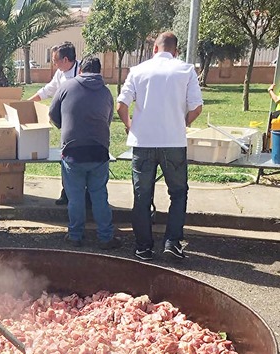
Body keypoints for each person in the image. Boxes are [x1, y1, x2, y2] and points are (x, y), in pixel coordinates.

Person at [116, 32, 203, 261]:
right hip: (173, 142)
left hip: (143, 142)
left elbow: (121, 105)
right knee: (178, 192)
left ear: (155, 48)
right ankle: (172, 242)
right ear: (176, 51)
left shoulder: (138, 70)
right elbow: (197, 107)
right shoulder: (186, 70)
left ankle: (144, 246)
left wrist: (129, 125)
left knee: (141, 196)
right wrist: (182, 122)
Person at [49, 57, 121, 250]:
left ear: (80, 69)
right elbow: (107, 119)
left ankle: (75, 236)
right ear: (99, 72)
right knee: (99, 196)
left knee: (75, 197)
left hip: (73, 151)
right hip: (99, 151)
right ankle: (106, 237)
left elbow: (52, 114)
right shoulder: (106, 93)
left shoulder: (66, 87)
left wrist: (64, 126)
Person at [28, 42, 79, 206]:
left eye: (55, 60)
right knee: (66, 158)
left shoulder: (82, 71)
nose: (54, 64)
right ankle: (66, 192)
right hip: (66, 125)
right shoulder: (60, 73)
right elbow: (48, 90)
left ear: (65, 59)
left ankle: (83, 196)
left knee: (80, 161)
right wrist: (27, 103)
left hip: (83, 123)